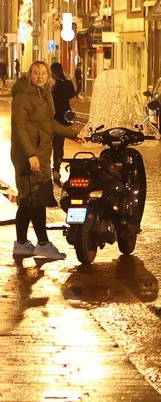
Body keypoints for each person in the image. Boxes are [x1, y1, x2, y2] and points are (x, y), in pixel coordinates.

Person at [11, 61, 83, 260]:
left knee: (30, 200)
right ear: (29, 75)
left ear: (48, 76)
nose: (40, 76)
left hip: (40, 156)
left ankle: (22, 244)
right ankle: (42, 244)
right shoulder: (24, 96)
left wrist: (72, 134)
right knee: (36, 199)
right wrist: (30, 154)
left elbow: (49, 123)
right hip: (30, 157)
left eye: (43, 73)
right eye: (36, 73)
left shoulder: (43, 94)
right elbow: (19, 127)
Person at [49, 62, 77, 185]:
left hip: (49, 118)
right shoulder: (67, 83)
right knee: (58, 146)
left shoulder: (51, 84)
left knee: (45, 145)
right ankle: (56, 169)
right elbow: (73, 95)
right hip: (62, 119)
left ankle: (47, 171)